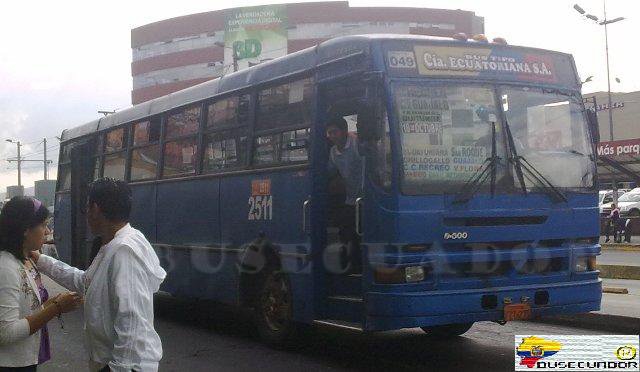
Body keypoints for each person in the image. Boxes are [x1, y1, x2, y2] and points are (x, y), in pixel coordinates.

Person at [30, 178, 167, 372]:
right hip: (109, 361)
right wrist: (41, 260)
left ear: (95, 209)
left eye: (87, 207)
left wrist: (118, 368)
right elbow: (85, 281)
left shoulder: (124, 251)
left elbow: (132, 319)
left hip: (123, 366)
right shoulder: (114, 244)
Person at [0, 197, 82, 371]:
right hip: (10, 364)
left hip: (23, 359)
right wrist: (56, 308)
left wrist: (52, 303)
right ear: (25, 229)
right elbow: (5, 332)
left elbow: (27, 309)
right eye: (44, 225)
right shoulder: (6, 267)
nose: (47, 231)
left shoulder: (24, 260)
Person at [326, 116, 364, 272]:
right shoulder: (333, 152)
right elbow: (330, 172)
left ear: (344, 132)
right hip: (350, 199)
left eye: (334, 132)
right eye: (329, 133)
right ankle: (350, 266)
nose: (332, 136)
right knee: (347, 231)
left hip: (366, 196)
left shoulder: (356, 143)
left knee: (361, 233)